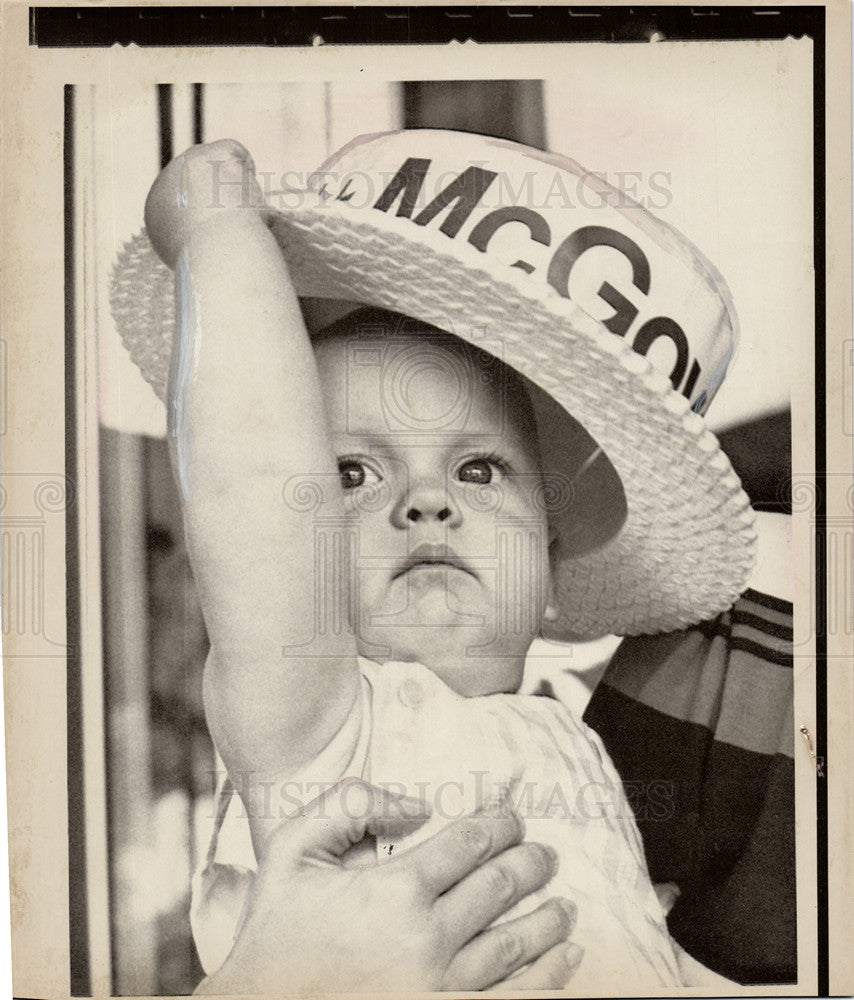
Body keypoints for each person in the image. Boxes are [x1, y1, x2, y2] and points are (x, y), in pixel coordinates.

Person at [112, 129, 761, 991]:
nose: (427, 501)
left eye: (478, 469)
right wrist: (217, 239)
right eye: (349, 473)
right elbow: (256, 484)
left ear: (551, 556)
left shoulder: (571, 743)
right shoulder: (327, 720)